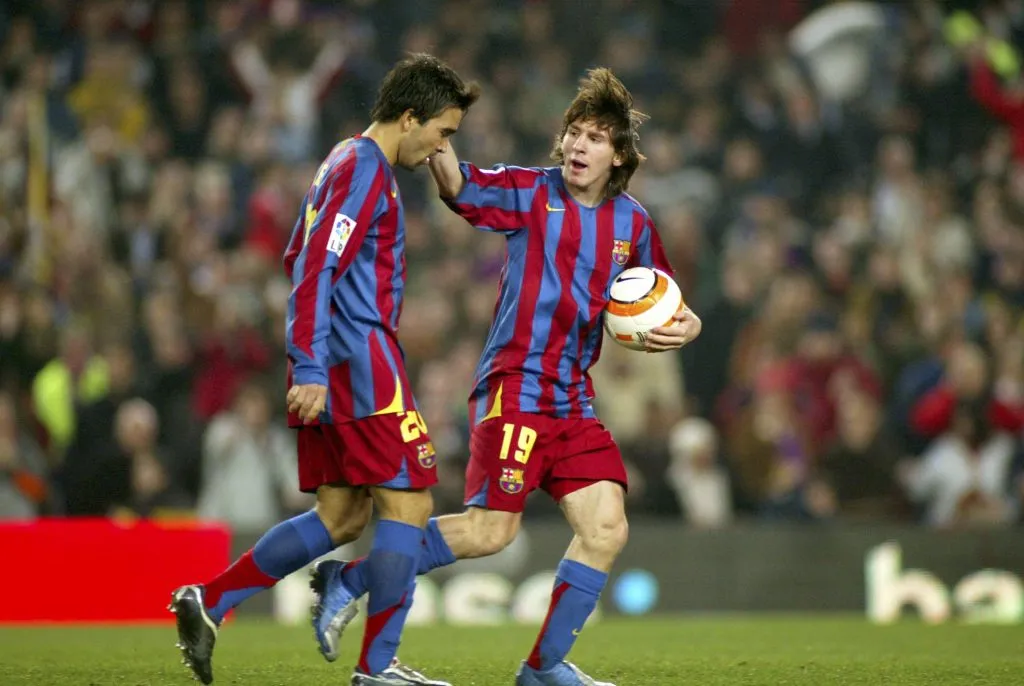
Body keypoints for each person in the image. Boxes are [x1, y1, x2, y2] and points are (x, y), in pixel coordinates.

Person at [312, 68, 701, 686]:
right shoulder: (530, 192)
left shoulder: (634, 225)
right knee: (490, 531)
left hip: (572, 397)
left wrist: (689, 326)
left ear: (619, 155)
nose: (578, 145)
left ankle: (543, 669)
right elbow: (460, 187)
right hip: (514, 385)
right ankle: (351, 579)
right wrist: (440, 129)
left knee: (606, 528)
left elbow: (666, 300)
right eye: (573, 133)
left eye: (596, 138)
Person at [169, 54, 479, 686]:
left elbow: (297, 253)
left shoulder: (341, 159)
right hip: (359, 364)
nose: (442, 146)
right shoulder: (366, 170)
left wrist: (314, 362)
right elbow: (315, 266)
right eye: (442, 132)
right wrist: (310, 365)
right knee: (410, 505)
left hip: (335, 360)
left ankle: (212, 600)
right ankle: (379, 666)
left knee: (342, 517)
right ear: (410, 116)